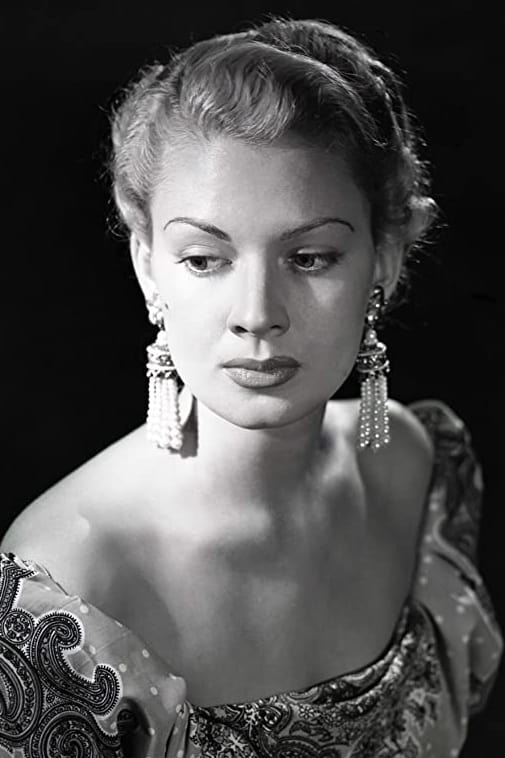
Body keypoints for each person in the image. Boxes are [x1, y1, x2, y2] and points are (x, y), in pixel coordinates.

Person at [0, 16, 502, 758]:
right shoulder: (71, 586)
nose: (257, 315)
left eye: (309, 257)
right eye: (205, 259)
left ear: (385, 258)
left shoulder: (418, 468)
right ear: (147, 266)